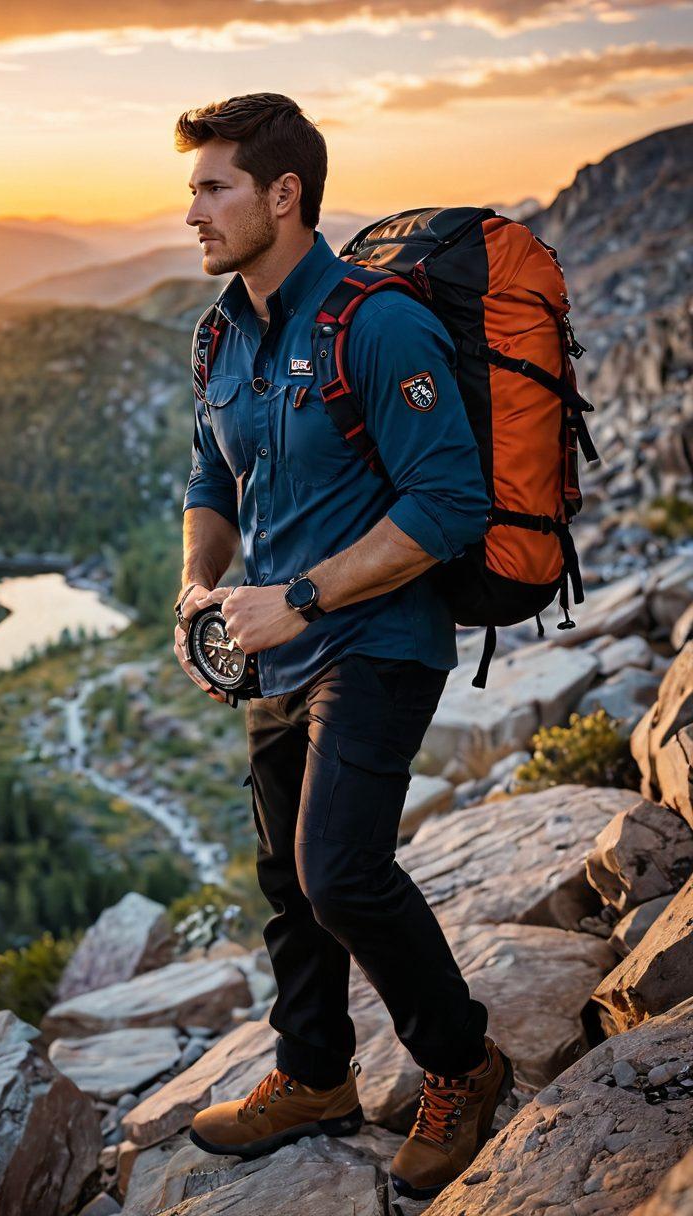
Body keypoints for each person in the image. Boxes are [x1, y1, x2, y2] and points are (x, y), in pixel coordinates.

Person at [171, 91, 514, 1201]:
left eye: (214, 187)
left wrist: (302, 600)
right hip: (272, 642)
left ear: (285, 194)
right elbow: (212, 478)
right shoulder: (219, 331)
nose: (193, 211)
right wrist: (198, 586)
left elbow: (448, 504)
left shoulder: (378, 324)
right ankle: (315, 1075)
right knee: (286, 876)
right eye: (191, 189)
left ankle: (462, 1064)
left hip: (376, 637)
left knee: (340, 872)